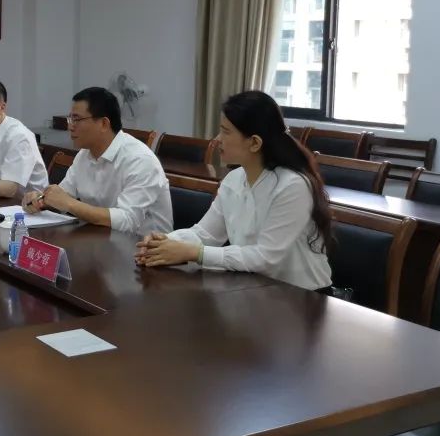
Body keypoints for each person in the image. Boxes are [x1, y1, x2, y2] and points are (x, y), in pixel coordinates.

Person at [135, 90, 333, 290]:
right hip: (256, 287)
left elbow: (264, 257)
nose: (217, 139)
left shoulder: (293, 185)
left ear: (254, 143)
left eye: (226, 132)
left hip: (303, 296)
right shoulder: (234, 179)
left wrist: (194, 253)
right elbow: (205, 234)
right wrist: (163, 242)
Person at [22, 87, 172, 235]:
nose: (70, 126)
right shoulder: (84, 154)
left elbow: (127, 220)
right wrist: (41, 201)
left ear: (104, 124)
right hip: (100, 237)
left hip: (143, 245)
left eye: (77, 119)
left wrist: (69, 203)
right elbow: (63, 195)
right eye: (70, 119)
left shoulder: (140, 160)